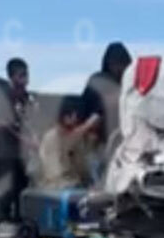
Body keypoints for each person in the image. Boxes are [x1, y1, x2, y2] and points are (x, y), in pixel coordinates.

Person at [79, 42, 131, 182]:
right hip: (97, 142)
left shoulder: (127, 83)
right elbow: (94, 112)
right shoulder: (99, 80)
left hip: (122, 140)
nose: (118, 68)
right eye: (115, 64)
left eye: (121, 64)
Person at [0, 57, 35, 238]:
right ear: (12, 77)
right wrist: (22, 139)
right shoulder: (6, 96)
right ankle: (4, 218)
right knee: (8, 186)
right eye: (21, 76)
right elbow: (5, 123)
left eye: (26, 75)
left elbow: (29, 120)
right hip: (8, 149)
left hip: (23, 151)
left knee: (22, 184)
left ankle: (21, 219)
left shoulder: (27, 97)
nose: (25, 79)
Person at [38, 96, 95, 190]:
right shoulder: (52, 138)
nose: (75, 118)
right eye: (73, 115)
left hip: (70, 184)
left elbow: (82, 165)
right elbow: (54, 173)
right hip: (58, 187)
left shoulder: (75, 137)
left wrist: (87, 180)